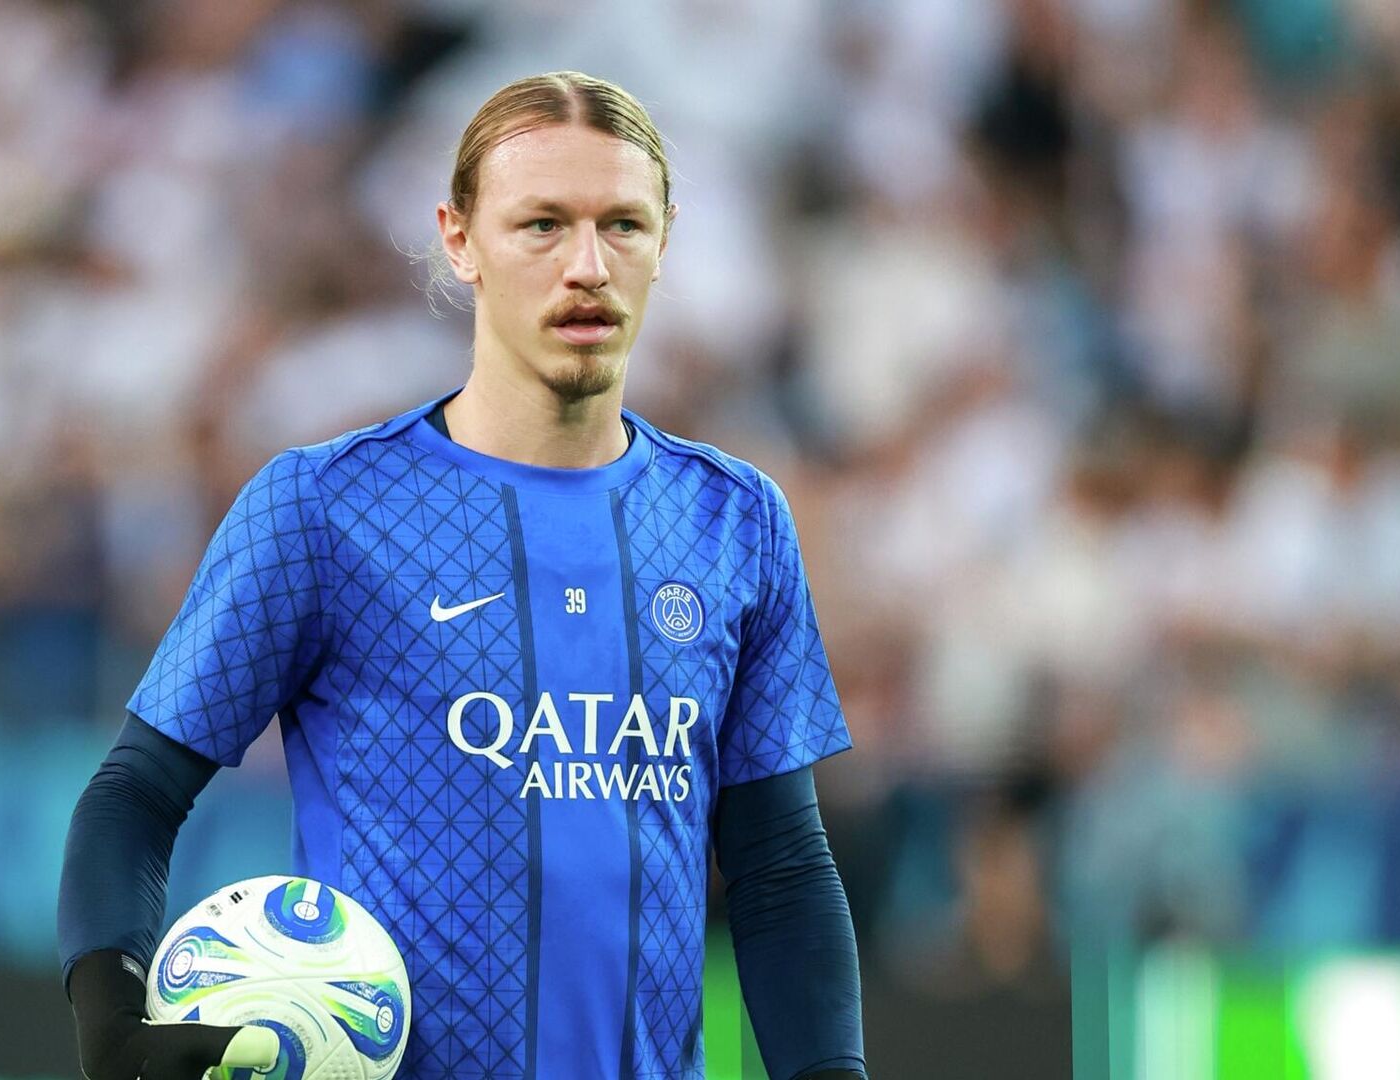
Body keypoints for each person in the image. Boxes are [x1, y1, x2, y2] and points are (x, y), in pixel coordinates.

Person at [58, 70, 866, 1080]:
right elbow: (135, 793)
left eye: (622, 225)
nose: (587, 266)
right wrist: (111, 1018)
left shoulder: (736, 521)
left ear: (664, 244)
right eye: (542, 225)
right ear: (460, 239)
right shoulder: (325, 507)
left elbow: (781, 867)